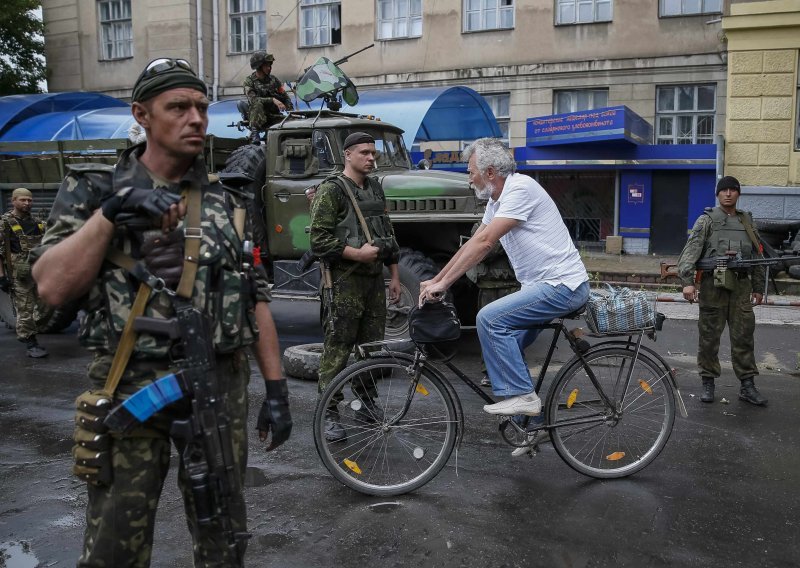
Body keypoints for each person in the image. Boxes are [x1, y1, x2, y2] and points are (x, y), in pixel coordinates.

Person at [30, 57, 292, 567]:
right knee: (115, 545)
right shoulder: (92, 188)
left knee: (223, 536)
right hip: (132, 383)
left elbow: (255, 298)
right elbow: (51, 288)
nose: (195, 118)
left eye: (201, 106)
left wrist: (277, 390)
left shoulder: (229, 201)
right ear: (142, 114)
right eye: (178, 107)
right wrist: (110, 216)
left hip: (220, 382)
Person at [419, 137, 589, 419]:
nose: (469, 178)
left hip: (561, 286)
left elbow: (486, 242)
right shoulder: (497, 200)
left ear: (489, 173)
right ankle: (527, 427)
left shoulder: (520, 189)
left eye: (470, 171)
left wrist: (444, 285)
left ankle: (524, 399)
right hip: (543, 286)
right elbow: (471, 244)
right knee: (501, 348)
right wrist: (436, 279)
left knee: (489, 319)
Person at [309, 131, 401, 442]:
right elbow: (318, 239)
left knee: (371, 348)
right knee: (337, 349)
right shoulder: (332, 190)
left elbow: (387, 232)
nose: (371, 158)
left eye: (373, 153)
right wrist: (356, 254)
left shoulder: (375, 187)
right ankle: (329, 412)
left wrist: (395, 276)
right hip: (344, 282)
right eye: (364, 152)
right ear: (347, 155)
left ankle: (364, 402)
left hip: (374, 282)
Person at [676, 175, 767, 406]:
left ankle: (747, 385)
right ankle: (708, 383)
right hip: (712, 287)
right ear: (718, 194)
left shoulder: (747, 221)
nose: (728, 194)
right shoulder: (706, 221)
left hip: (740, 288)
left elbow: (757, 257)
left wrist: (758, 287)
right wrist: (687, 282)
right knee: (708, 338)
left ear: (738, 194)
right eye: (724, 190)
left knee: (744, 337)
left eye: (733, 190)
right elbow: (690, 253)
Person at [465, 223, 520, 387]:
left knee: (512, 333)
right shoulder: (481, 225)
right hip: (487, 286)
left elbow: (489, 247)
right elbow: (482, 249)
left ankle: (512, 372)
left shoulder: (510, 222)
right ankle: (489, 371)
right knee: (487, 331)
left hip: (510, 285)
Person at [0, 187, 49, 358]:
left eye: (29, 200)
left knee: (46, 305)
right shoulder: (5, 222)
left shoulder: (38, 223)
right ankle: (30, 341)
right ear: (13, 201)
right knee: (25, 308)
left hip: (39, 271)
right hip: (18, 275)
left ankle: (29, 329)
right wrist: (1, 277)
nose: (27, 203)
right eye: (22, 200)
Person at [242, 51, 293, 143]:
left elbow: (285, 97)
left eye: (270, 65)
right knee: (257, 103)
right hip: (259, 117)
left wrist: (291, 112)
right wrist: (272, 100)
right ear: (258, 66)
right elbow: (253, 100)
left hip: (275, 116)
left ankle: (270, 136)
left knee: (294, 125)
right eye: (266, 65)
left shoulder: (274, 80)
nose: (269, 68)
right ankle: (255, 132)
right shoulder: (249, 81)